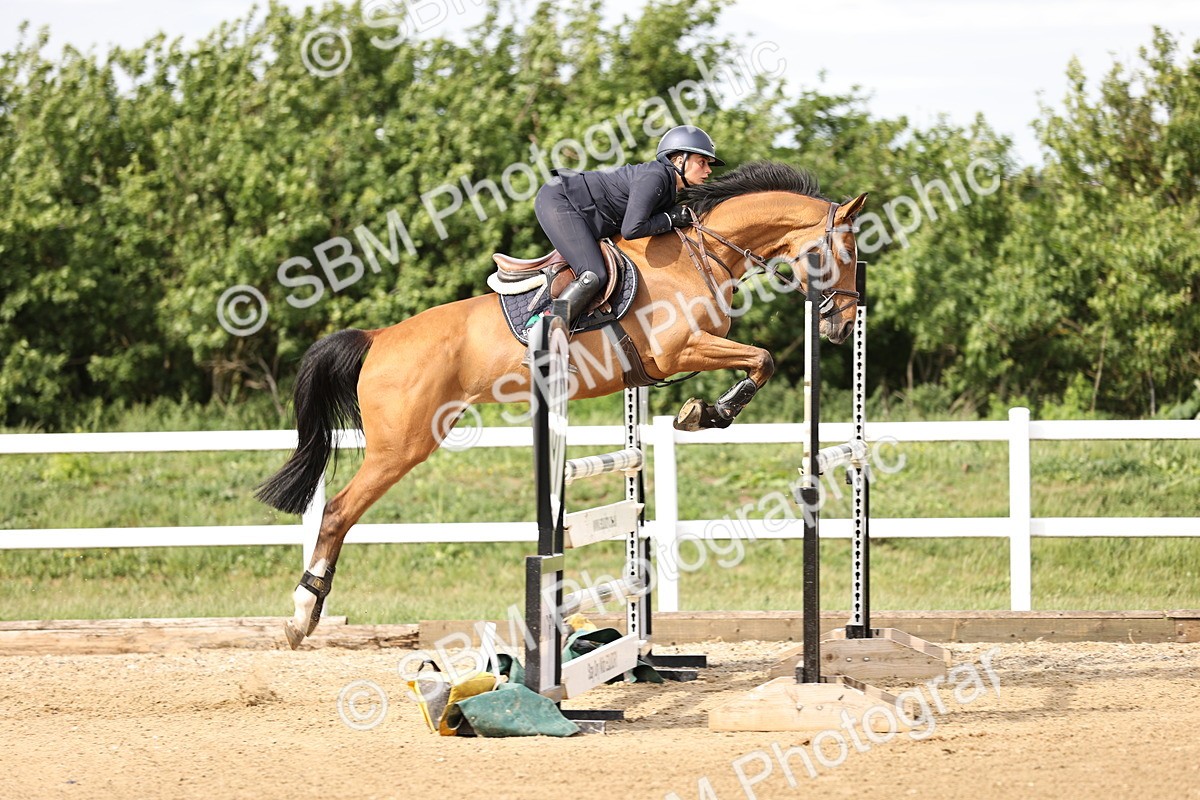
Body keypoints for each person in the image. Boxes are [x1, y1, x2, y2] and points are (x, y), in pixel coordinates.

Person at [533, 124, 725, 325]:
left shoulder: (667, 188)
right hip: (560, 199)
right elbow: (632, 229)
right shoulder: (655, 177)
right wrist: (670, 219)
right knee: (593, 274)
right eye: (702, 162)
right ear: (679, 160)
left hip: (580, 210)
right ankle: (547, 324)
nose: (708, 170)